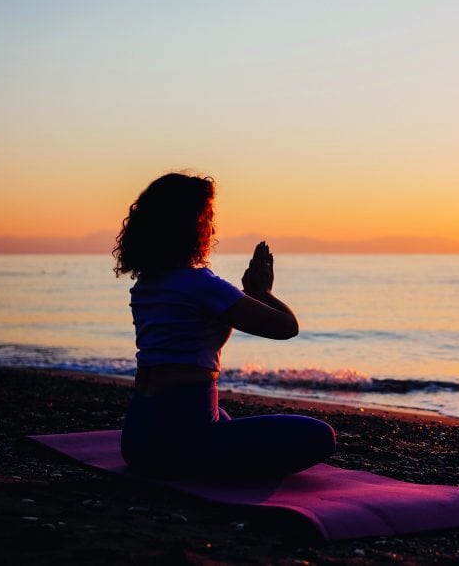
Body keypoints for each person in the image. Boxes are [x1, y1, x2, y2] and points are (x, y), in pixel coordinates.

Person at [112, 172, 335, 479]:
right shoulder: (200, 284)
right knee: (320, 436)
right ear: (191, 226)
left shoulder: (146, 286)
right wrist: (262, 292)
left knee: (225, 418)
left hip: (138, 443)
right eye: (207, 217)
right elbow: (285, 327)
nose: (211, 226)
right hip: (180, 447)